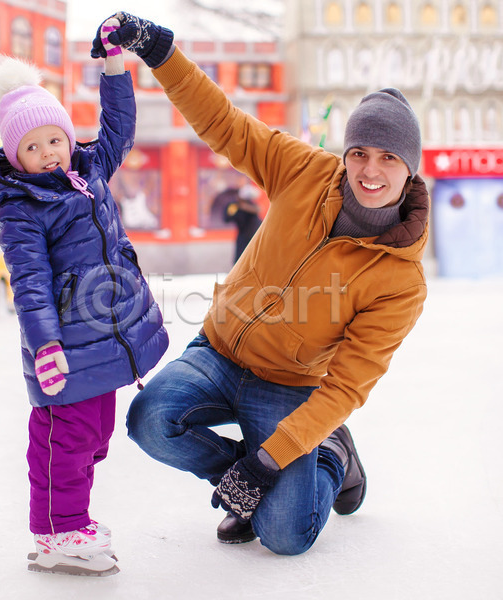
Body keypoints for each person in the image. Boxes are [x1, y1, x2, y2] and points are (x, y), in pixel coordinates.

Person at [103, 13, 430, 556]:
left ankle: (331, 456)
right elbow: (225, 125)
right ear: (345, 154)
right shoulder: (305, 171)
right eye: (359, 153)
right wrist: (161, 53)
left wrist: (272, 458)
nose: (370, 170)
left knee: (287, 535)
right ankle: (243, 486)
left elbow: (346, 386)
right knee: (150, 421)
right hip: (220, 351)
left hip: (289, 385)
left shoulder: (400, 279)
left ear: (409, 169)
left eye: (388, 158)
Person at [0, 18, 168, 575]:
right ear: (16, 158)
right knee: (74, 437)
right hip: (68, 346)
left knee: (69, 435)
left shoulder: (89, 171)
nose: (48, 154)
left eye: (54, 139)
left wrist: (113, 66)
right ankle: (68, 530)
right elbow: (30, 285)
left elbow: (119, 128)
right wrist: (46, 347)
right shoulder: (24, 209)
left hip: (99, 343)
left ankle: (48, 530)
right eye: (32, 147)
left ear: (68, 136)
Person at [222, 185, 263, 263]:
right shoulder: (234, 205)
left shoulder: (249, 204)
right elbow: (227, 218)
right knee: (240, 260)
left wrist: (243, 206)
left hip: (254, 235)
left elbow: (258, 209)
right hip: (243, 236)